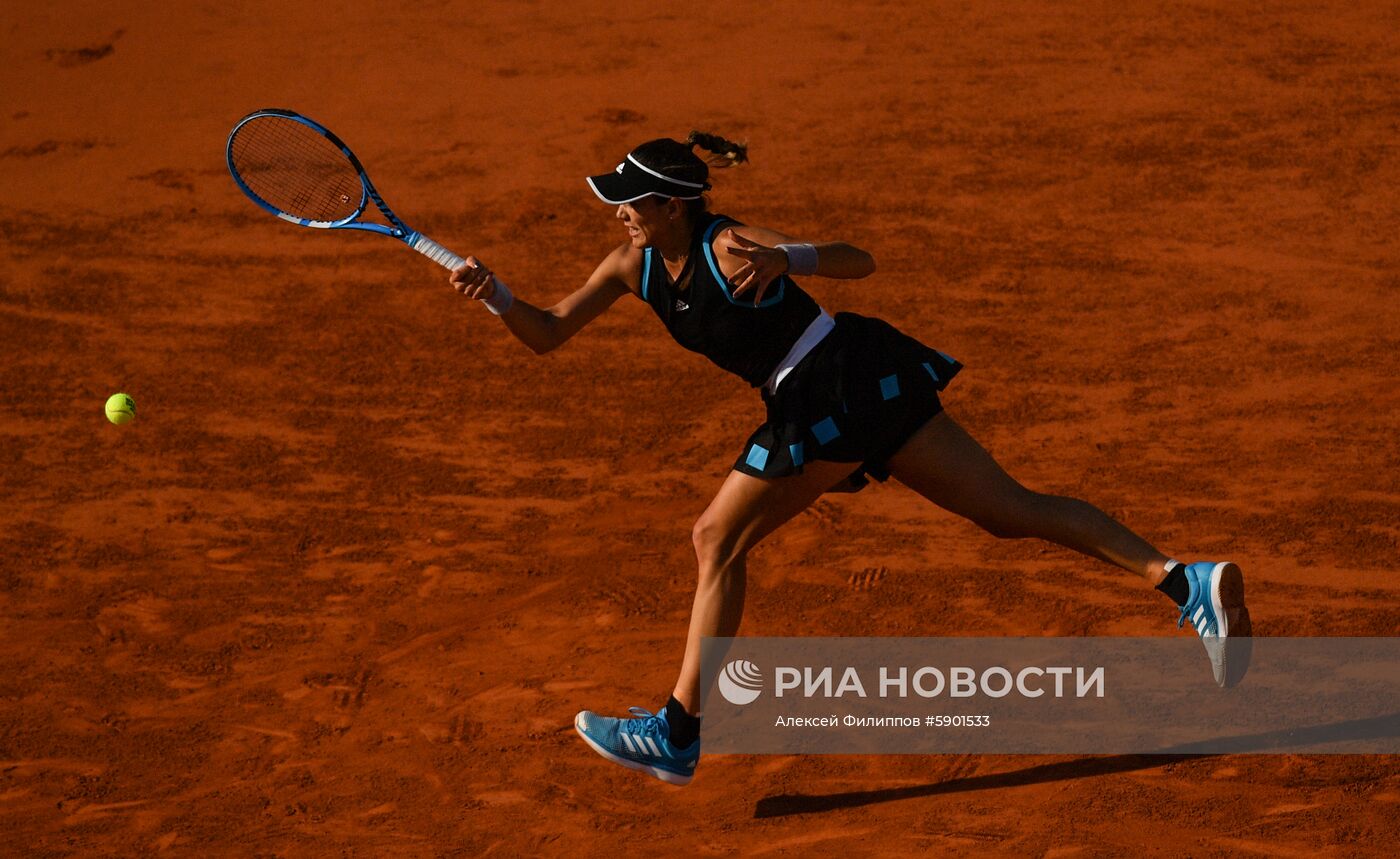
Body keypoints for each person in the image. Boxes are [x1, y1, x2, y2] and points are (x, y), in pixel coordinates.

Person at [447, 132, 1252, 786]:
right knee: (1010, 511)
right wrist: (498, 297)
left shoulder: (731, 243)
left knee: (716, 538)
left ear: (675, 205)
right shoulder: (633, 266)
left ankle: (680, 731)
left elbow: (857, 260)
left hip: (832, 386)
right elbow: (549, 331)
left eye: (631, 202)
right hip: (852, 388)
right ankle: (1186, 579)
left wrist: (790, 258)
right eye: (616, 201)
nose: (619, 213)